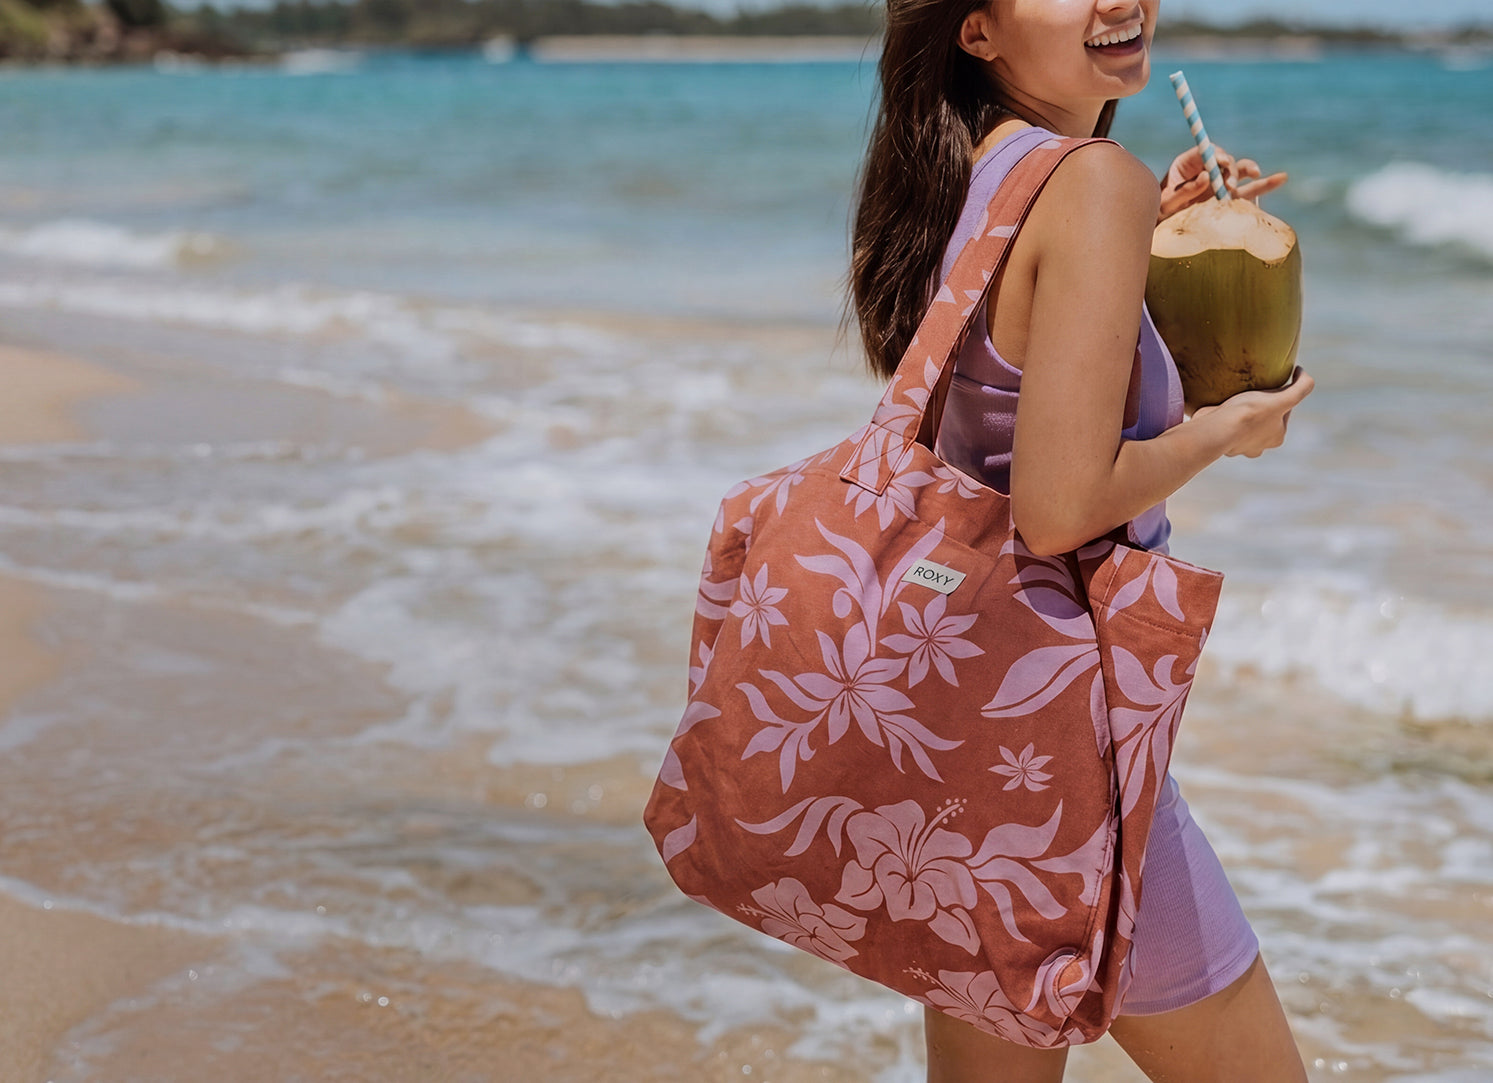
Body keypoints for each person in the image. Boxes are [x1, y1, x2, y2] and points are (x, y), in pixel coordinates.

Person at [847, 1, 1316, 1080]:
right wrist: (1220, 430)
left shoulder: (975, 174)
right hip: (1067, 752)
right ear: (976, 32)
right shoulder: (1089, 185)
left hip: (965, 731)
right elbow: (1058, 507)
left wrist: (1146, 247)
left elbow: (994, 403)